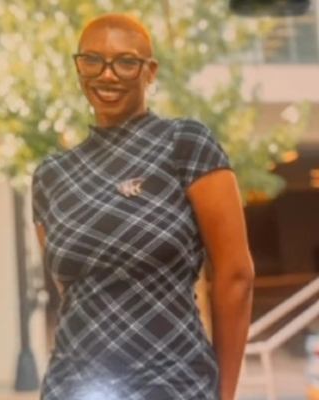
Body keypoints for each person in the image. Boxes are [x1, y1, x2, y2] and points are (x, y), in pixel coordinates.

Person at [32, 13, 254, 400]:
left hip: (175, 384)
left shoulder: (185, 144)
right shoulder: (51, 176)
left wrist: (224, 394)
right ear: (78, 67)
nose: (107, 74)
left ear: (150, 72)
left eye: (125, 62)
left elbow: (236, 276)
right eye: (92, 60)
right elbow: (72, 291)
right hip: (74, 386)